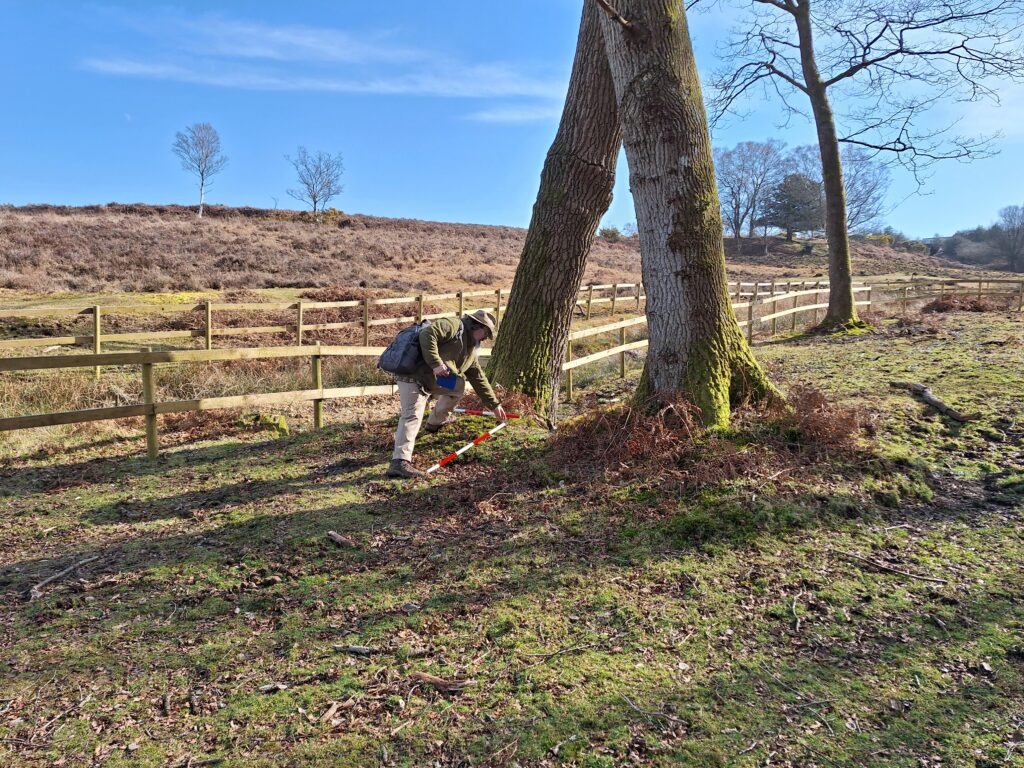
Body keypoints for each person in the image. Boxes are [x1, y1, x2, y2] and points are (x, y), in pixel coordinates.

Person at [387, 309, 508, 479]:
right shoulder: (453, 325)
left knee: (457, 386)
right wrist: (436, 363)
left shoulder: (470, 349)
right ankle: (399, 462)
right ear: (477, 326)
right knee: (412, 415)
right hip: (412, 374)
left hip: (431, 379)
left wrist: (494, 404)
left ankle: (435, 423)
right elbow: (427, 334)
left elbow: (478, 378)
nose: (485, 339)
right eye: (485, 333)